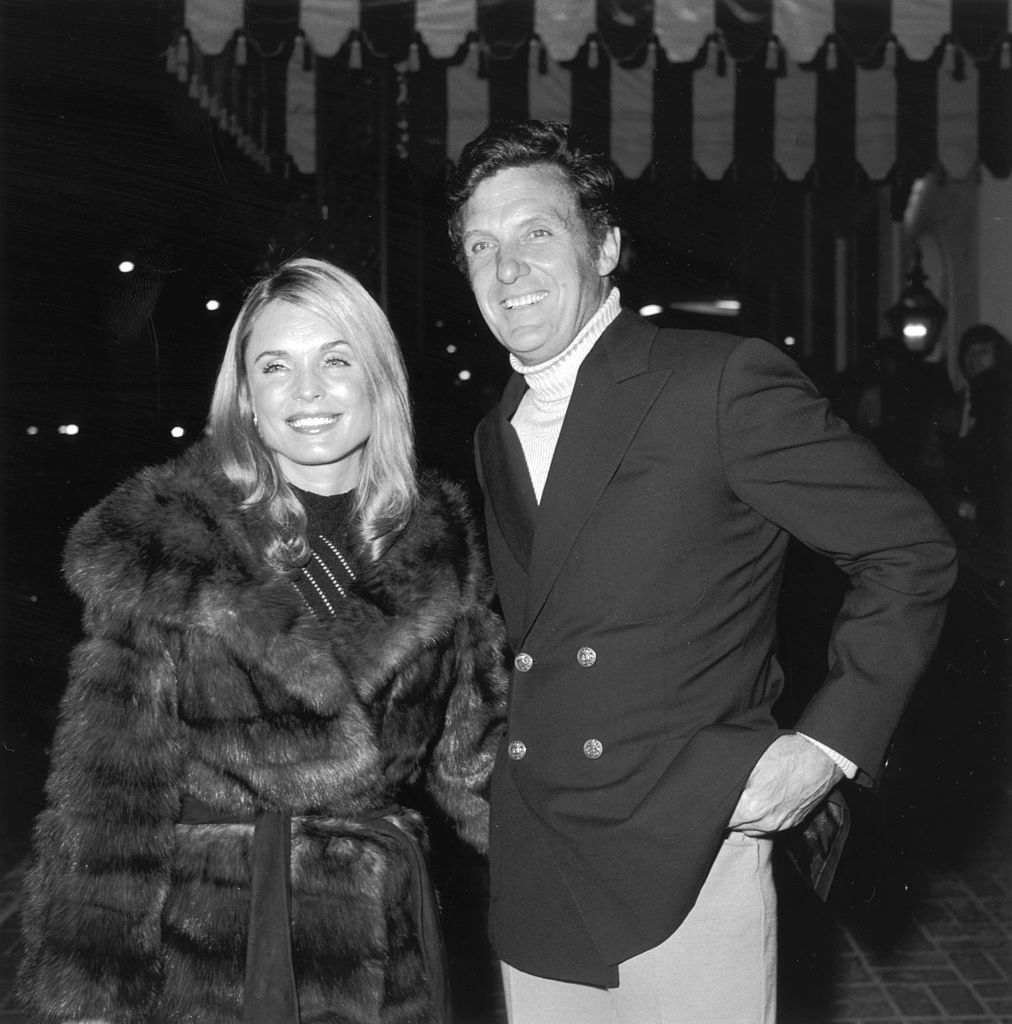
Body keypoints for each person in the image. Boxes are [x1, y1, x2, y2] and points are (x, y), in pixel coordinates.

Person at [445, 120, 957, 1024]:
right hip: (540, 858)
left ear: (605, 246)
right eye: (482, 246)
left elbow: (909, 551)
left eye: (536, 234)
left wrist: (827, 747)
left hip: (685, 853)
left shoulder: (716, 383)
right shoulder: (495, 431)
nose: (508, 268)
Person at [17, 257, 507, 1024]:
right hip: (209, 960)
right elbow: (109, 804)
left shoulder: (439, 543)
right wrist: (93, 1000)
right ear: (245, 395)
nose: (306, 392)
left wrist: (650, 834)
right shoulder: (174, 545)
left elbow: (481, 768)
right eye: (275, 367)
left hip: (385, 960)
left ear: (379, 380)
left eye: (335, 361)